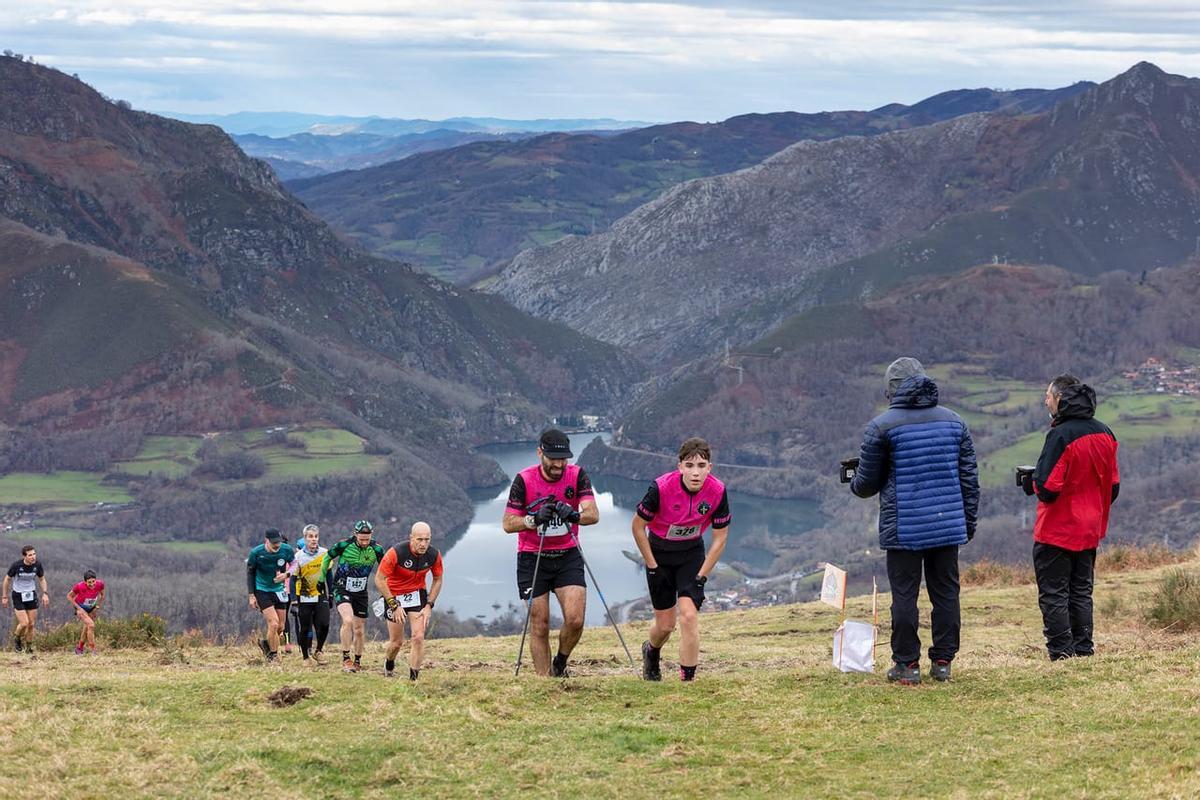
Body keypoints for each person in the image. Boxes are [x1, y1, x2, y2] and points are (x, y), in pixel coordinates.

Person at [851, 357, 979, 685]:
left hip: (904, 527)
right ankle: (943, 662)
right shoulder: (955, 422)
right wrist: (967, 523)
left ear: (892, 389)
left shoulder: (882, 427)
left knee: (905, 595)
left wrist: (851, 479)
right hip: (948, 525)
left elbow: (866, 485)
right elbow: (969, 480)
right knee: (946, 593)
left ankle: (907, 665)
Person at [1020, 374, 1119, 660]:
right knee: (1081, 591)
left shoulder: (1060, 435)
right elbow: (1113, 486)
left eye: (1048, 396)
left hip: (1057, 529)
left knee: (1054, 593)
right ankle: (1084, 650)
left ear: (1060, 399)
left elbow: (1048, 488)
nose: (1045, 400)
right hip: (1090, 529)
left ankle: (1062, 653)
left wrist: (1032, 482)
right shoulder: (1105, 432)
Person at [502, 428, 599, 677]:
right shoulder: (524, 480)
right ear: (539, 453)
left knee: (575, 620)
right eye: (553, 459)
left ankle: (560, 663)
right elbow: (508, 523)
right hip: (532, 557)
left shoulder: (577, 476)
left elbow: (593, 514)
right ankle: (544, 682)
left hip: (568, 555)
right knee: (540, 623)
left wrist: (574, 514)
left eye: (563, 459)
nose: (559, 464)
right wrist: (532, 520)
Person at [632, 437, 731, 682]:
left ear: (710, 467)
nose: (695, 472)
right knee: (665, 626)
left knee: (688, 615)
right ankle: (651, 651)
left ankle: (687, 680)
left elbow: (720, 539)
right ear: (679, 467)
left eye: (701, 466)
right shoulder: (660, 488)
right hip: (659, 556)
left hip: (690, 555)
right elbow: (637, 528)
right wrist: (652, 566)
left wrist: (701, 577)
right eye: (689, 465)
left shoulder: (717, 491)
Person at [375, 521, 444, 680]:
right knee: (397, 642)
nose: (423, 544)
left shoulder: (433, 554)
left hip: (417, 594)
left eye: (427, 540)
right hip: (394, 595)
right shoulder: (396, 553)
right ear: (411, 538)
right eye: (419, 539)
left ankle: (413, 679)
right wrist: (393, 604)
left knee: (418, 637)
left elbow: (438, 579)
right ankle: (389, 662)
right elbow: (379, 579)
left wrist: (429, 605)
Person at [322, 520, 385, 673]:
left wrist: (386, 592)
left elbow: (385, 570)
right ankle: (346, 659)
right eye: (361, 539)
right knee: (348, 620)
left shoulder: (376, 549)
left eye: (367, 539)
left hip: (361, 592)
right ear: (355, 534)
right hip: (342, 588)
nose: (364, 542)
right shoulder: (344, 545)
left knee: (359, 629)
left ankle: (357, 660)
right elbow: (326, 558)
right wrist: (321, 579)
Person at [246, 528, 295, 663]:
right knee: (273, 624)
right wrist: (251, 595)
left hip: (279, 590)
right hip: (261, 590)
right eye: (273, 543)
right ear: (266, 541)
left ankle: (266, 644)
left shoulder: (286, 550)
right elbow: (250, 573)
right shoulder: (256, 553)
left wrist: (287, 574)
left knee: (281, 627)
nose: (276, 545)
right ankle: (273, 656)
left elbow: (295, 564)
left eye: (278, 542)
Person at [290, 524, 331, 664]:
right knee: (305, 627)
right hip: (304, 596)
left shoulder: (325, 553)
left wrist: (331, 594)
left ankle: (319, 650)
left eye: (316, 536)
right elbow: (292, 579)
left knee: (324, 624)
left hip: (320, 594)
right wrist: (294, 601)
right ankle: (306, 657)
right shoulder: (297, 557)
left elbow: (329, 575)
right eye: (310, 537)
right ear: (305, 538)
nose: (313, 539)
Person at [3, 545, 48, 653]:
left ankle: (28, 648)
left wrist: (45, 593)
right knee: (24, 623)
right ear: (25, 556)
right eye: (30, 555)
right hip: (18, 595)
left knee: (31, 624)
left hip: (31, 594)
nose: (33, 557)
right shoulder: (17, 565)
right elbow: (7, 579)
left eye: (34, 554)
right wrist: (4, 596)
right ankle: (17, 638)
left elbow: (42, 579)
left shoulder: (37, 565)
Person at [67, 569, 105, 655]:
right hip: (80, 607)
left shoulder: (100, 584)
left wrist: (97, 606)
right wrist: (78, 608)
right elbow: (69, 596)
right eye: (89, 582)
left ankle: (79, 648)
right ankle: (93, 650)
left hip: (92, 607)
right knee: (91, 625)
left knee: (87, 626)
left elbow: (102, 595)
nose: (92, 584)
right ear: (85, 582)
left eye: (93, 581)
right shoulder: (79, 586)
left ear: (96, 579)